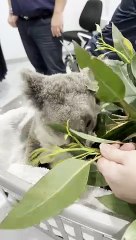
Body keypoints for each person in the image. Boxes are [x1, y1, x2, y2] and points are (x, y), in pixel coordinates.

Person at [8, 0, 67, 75]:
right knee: (39, 68)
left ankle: (60, 87)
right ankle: (44, 86)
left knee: (56, 70)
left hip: (45, 20)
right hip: (22, 22)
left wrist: (57, 14)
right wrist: (11, 11)